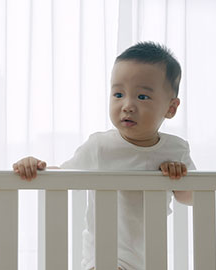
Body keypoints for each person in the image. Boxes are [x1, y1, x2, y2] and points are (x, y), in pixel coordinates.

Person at [12, 41, 195, 270]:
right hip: (103, 259)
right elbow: (64, 177)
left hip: (149, 259)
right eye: (118, 94)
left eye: (142, 97)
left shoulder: (176, 150)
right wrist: (35, 167)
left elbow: (193, 198)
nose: (127, 105)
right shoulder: (100, 146)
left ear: (171, 108)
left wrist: (180, 178)